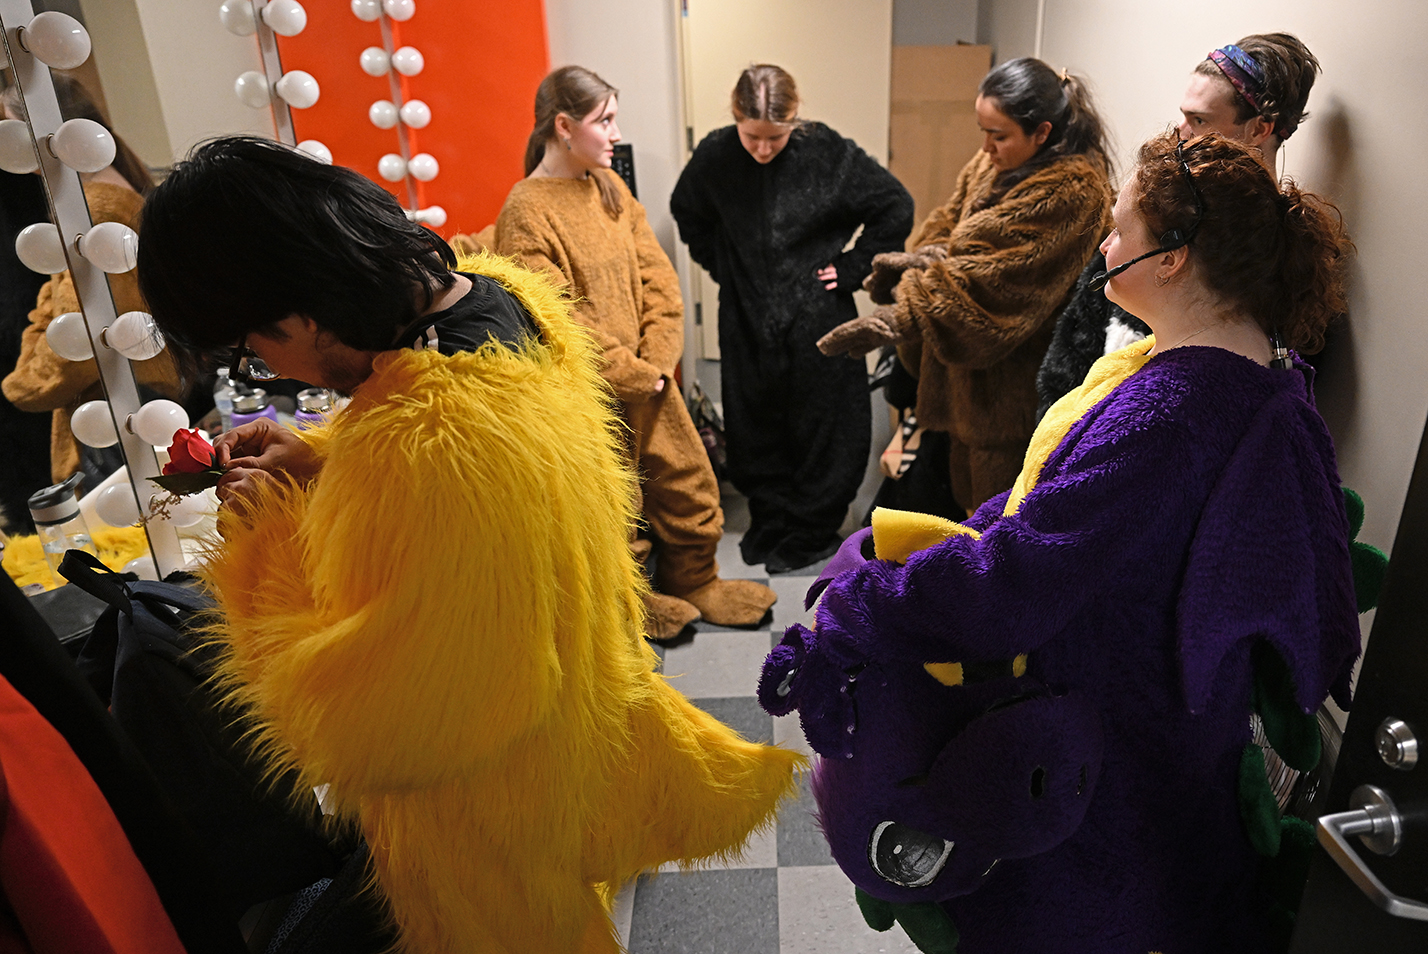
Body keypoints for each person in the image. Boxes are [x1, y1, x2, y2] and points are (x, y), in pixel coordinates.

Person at [135, 136, 800, 954]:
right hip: (563, 728)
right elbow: (483, 507)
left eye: (252, 346)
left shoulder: (423, 445)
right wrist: (326, 458)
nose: (266, 369)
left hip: (486, 807)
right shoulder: (498, 310)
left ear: (302, 308)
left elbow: (378, 724)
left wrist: (264, 543)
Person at [768, 130, 1359, 952]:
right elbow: (1049, 507)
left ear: (1175, 258)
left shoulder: (1172, 415)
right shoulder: (1257, 373)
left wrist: (862, 605)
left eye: (1121, 232)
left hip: (1116, 743)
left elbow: (1016, 582)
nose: (1106, 246)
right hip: (1180, 723)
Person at [496, 66, 777, 637]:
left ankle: (696, 581)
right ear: (564, 126)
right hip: (591, 394)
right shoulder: (525, 210)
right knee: (612, 502)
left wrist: (657, 361)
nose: (616, 133)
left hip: (649, 379)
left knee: (686, 480)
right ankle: (627, 602)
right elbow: (554, 315)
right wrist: (629, 372)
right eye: (605, 121)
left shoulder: (611, 187)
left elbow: (659, 279)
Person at [819, 57, 1113, 514]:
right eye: (983, 130)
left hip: (1004, 398)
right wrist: (932, 260)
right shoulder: (993, 162)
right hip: (954, 385)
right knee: (933, 511)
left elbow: (989, 296)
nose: (986, 147)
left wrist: (905, 309)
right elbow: (944, 222)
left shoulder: (1071, 194)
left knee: (989, 524)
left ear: (1042, 132)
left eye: (998, 135)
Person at [670, 65, 914, 572]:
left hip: (817, 316)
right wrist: (727, 267)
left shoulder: (825, 152)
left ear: (794, 120)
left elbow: (894, 205)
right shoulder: (716, 155)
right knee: (754, 417)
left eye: (774, 138)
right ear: (736, 119)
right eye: (752, 136)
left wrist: (849, 269)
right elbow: (688, 212)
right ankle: (773, 517)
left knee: (823, 422)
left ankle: (814, 524)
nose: (762, 148)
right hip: (744, 314)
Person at [1036, 33, 1321, 417]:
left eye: (1199, 120)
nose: (1180, 132)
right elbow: (1069, 361)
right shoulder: (1152, 211)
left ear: (1260, 129)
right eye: (1183, 116)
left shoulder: (1288, 253)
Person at [1, 76, 182, 488]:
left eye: (12, 131)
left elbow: (77, 346)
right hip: (134, 402)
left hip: (116, 412)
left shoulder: (95, 213)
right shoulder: (113, 189)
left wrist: (20, 385)